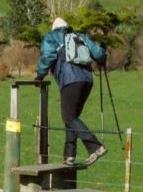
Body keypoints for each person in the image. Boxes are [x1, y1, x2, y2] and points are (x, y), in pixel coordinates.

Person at [35, 17, 107, 166]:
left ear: (54, 27)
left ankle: (96, 147)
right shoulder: (79, 36)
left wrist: (40, 75)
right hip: (87, 80)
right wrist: (102, 59)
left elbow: (47, 56)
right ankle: (69, 155)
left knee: (68, 117)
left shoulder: (52, 37)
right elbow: (99, 53)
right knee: (73, 117)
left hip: (70, 80)